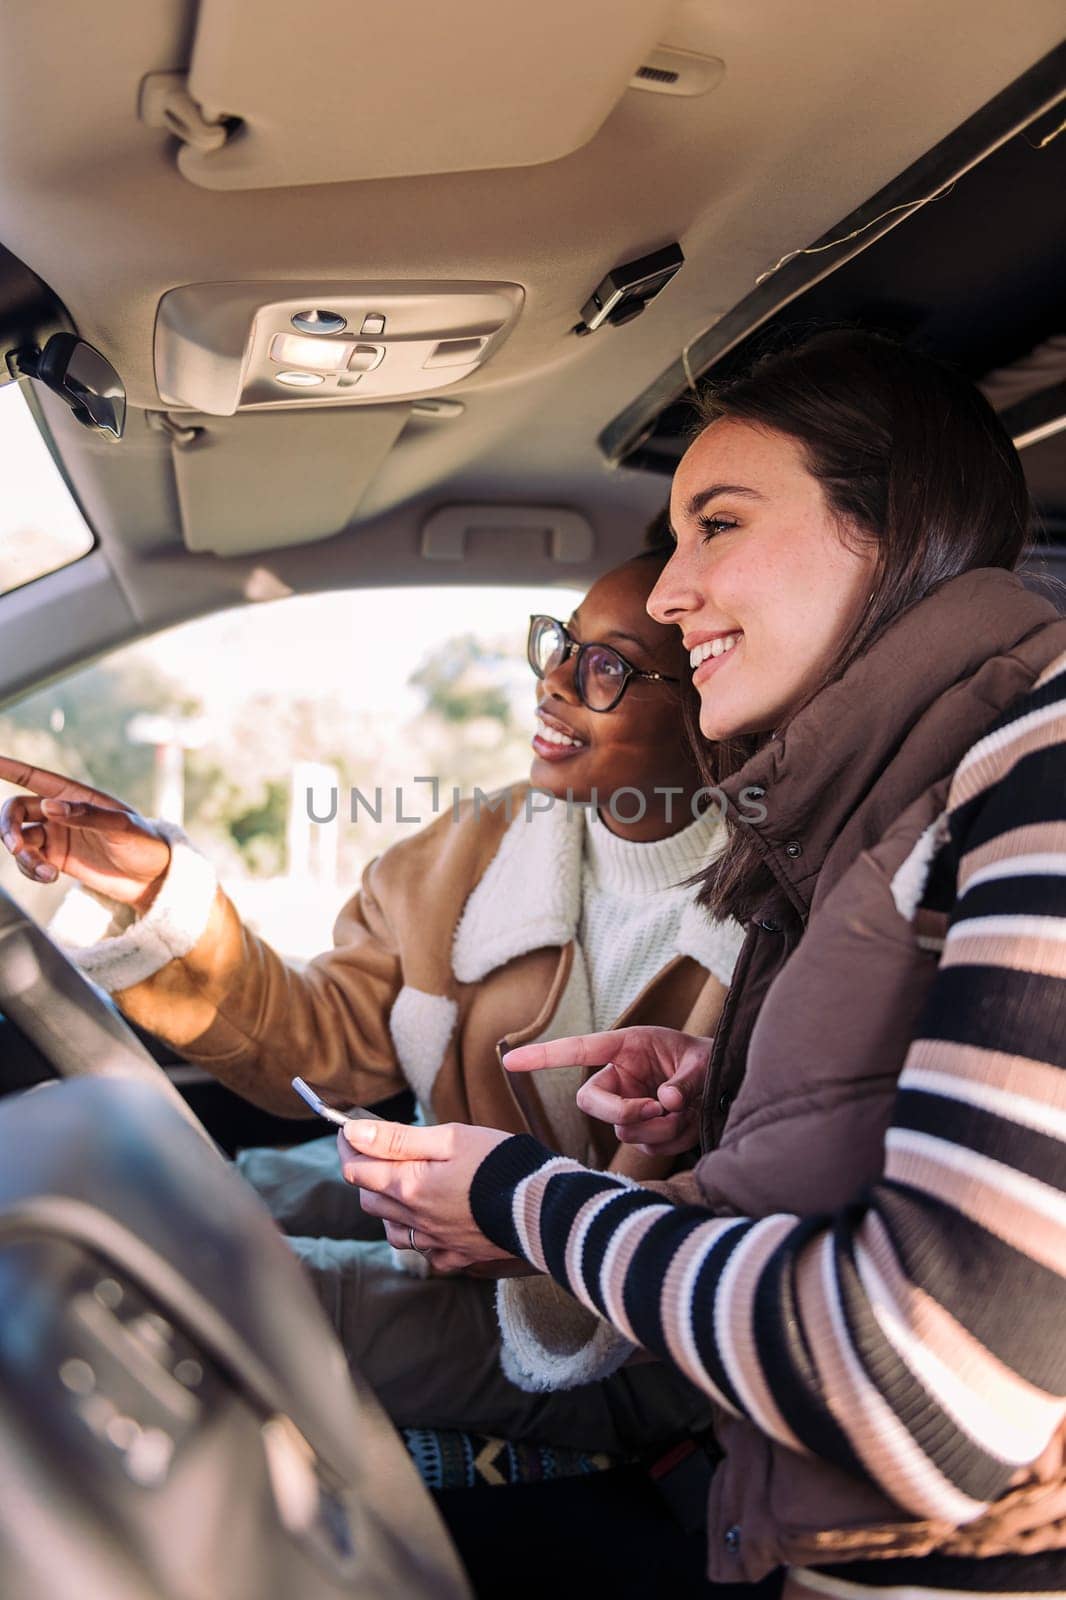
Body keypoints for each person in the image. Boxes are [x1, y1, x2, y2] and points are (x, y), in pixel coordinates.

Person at [333, 330, 1066, 1598]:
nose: (670, 594)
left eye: (714, 525)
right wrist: (722, 1093)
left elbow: (923, 1389)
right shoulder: (881, 812)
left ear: (890, 527)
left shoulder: (1042, 761)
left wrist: (525, 1204)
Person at [0, 546, 745, 1458]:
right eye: (559, 644)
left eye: (606, 667)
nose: (551, 682)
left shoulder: (774, 920)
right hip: (461, 1220)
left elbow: (748, 1206)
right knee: (191, 1202)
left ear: (708, 695)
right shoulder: (477, 843)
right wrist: (158, 891)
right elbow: (327, 1040)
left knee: (209, 1290)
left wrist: (522, 1221)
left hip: (616, 1330)